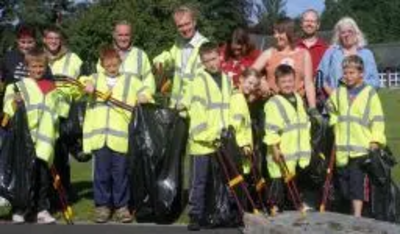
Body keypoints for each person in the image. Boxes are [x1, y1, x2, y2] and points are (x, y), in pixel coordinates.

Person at [81, 46, 152, 223]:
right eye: (108, 65)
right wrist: (87, 86)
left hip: (120, 138)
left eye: (115, 64)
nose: (112, 68)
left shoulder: (130, 80)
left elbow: (147, 91)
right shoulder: (95, 79)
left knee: (120, 174)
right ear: (102, 64)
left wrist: (144, 97)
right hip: (100, 139)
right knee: (101, 174)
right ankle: (102, 207)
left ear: (120, 63)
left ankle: (121, 207)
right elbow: (81, 83)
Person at [3, 48, 69, 224]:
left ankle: (41, 209)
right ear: (27, 67)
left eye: (41, 66)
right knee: (24, 178)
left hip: (45, 142)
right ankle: (21, 209)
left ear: (46, 66)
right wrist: (14, 102)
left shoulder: (51, 87)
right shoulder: (17, 86)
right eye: (34, 66)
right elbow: (7, 110)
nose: (38, 70)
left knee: (42, 178)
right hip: (25, 140)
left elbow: (61, 110)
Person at [326, 55, 386, 217]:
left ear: (361, 73)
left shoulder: (369, 93)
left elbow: (378, 119)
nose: (348, 76)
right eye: (345, 73)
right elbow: (330, 108)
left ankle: (357, 217)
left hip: (361, 148)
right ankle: (351, 212)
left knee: (356, 184)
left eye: (352, 73)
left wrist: (375, 140)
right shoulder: (339, 92)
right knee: (344, 186)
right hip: (342, 149)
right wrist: (334, 122)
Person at [186, 42, 233, 231]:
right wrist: (210, 134)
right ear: (202, 63)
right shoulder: (199, 81)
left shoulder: (227, 80)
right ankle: (195, 215)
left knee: (221, 179)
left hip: (221, 140)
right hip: (202, 142)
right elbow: (198, 113)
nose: (212, 63)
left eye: (213, 58)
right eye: (207, 61)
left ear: (219, 56)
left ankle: (218, 212)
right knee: (199, 181)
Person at [263, 64, 311, 214]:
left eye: (290, 81)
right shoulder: (273, 103)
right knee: (277, 179)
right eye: (283, 82)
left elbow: (302, 122)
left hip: (295, 150)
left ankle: (295, 203)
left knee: (292, 179)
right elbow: (271, 130)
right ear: (277, 84)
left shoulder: (298, 98)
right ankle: (274, 207)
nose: (288, 85)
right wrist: (275, 149)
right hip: (280, 151)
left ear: (295, 81)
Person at [42, 25, 82, 201]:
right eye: (50, 38)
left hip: (64, 115)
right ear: (44, 40)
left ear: (61, 40)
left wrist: (60, 90)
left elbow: (78, 86)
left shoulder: (73, 59)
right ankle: (46, 195)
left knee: (61, 158)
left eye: (56, 38)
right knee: (44, 157)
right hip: (42, 115)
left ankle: (63, 194)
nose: (53, 41)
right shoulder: (37, 57)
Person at [252, 17, 317, 111]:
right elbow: (249, 73)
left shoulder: (304, 54)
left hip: (297, 106)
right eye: (274, 32)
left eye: (279, 32)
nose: (275, 36)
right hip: (273, 106)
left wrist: (313, 108)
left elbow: (309, 83)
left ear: (289, 33)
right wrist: (261, 80)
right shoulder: (269, 53)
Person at [153, 5, 208, 108]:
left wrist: (185, 102)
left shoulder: (205, 46)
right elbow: (170, 55)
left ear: (194, 22)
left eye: (187, 24)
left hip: (194, 107)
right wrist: (159, 61)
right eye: (180, 26)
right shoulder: (180, 42)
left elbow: (200, 81)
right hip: (176, 106)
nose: (185, 29)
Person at [318, 17, 380, 96]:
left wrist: (358, 89)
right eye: (343, 32)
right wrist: (333, 95)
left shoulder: (367, 54)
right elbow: (319, 76)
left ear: (356, 33)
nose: (346, 35)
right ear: (339, 36)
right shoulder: (331, 53)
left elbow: (375, 82)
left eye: (350, 31)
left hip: (361, 102)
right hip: (336, 103)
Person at [96, 20, 155, 94]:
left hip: (134, 104)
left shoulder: (141, 55)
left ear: (131, 35)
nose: (123, 39)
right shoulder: (106, 54)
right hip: (110, 103)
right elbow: (98, 80)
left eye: (126, 35)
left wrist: (145, 97)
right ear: (114, 35)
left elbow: (148, 82)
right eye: (120, 35)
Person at [229, 68, 261, 175]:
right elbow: (236, 126)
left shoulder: (241, 97)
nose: (251, 87)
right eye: (250, 83)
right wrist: (243, 146)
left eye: (254, 85)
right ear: (241, 79)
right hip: (239, 149)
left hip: (240, 148)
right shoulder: (238, 98)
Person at [297, 9, 328, 77]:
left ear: (318, 25)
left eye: (312, 21)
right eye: (306, 21)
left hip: (319, 87)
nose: (309, 24)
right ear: (301, 24)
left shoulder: (326, 49)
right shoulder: (293, 47)